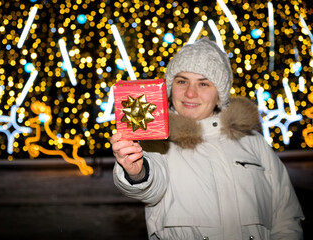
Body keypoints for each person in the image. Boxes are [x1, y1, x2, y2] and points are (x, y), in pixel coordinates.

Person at [110, 38, 304, 240]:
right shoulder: (158, 142)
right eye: (182, 81)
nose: (190, 93)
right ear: (170, 87)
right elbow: (150, 186)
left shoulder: (253, 142)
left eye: (203, 83)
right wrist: (137, 171)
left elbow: (286, 216)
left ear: (220, 95)